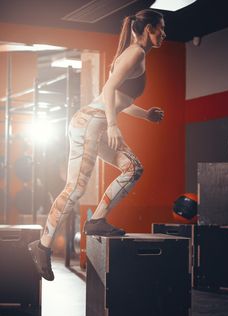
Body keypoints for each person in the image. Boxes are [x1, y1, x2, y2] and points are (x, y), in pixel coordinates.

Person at [28, 8, 166, 281]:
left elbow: (119, 101)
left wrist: (145, 114)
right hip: (91, 123)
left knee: (133, 168)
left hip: (98, 123)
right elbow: (108, 90)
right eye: (161, 28)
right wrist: (113, 125)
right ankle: (42, 246)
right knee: (76, 187)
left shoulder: (134, 53)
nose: (164, 33)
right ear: (148, 29)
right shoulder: (136, 53)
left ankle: (96, 220)